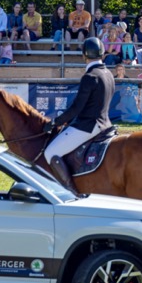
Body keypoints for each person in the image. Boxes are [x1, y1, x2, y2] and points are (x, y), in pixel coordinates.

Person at [43, 37, 114, 192]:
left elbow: (76, 108)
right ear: (102, 54)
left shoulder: (89, 76)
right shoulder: (108, 73)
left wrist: (55, 122)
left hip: (89, 126)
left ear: (84, 55)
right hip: (106, 123)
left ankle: (71, 191)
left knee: (50, 153)